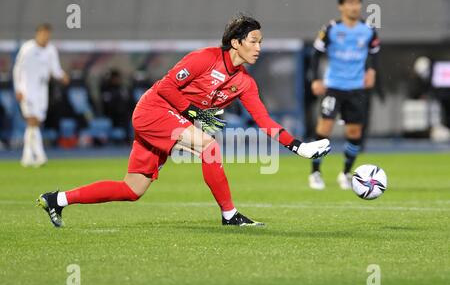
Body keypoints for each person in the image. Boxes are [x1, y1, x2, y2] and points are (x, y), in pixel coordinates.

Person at [37, 14, 330, 228]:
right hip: (152, 110)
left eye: (260, 42)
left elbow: (264, 120)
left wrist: (299, 147)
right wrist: (191, 111)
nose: (258, 48)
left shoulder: (245, 83)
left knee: (132, 189)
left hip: (170, 120)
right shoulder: (204, 58)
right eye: (253, 41)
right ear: (235, 42)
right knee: (209, 146)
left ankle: (58, 199)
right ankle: (229, 215)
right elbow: (164, 86)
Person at [309, 0, 380, 190]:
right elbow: (316, 53)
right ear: (341, 7)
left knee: (354, 132)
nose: (354, 7)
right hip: (334, 86)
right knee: (325, 128)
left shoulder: (368, 29)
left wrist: (371, 71)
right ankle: (315, 173)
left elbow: (374, 52)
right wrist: (315, 79)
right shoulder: (331, 29)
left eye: (357, 3)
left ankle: (346, 173)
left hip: (356, 88)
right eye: (349, 3)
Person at [13, 23, 69, 167]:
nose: (46, 37)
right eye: (43, 34)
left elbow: (55, 69)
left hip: (42, 91)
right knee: (33, 120)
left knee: (35, 123)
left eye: (48, 34)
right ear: (38, 34)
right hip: (27, 89)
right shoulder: (27, 48)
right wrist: (18, 88)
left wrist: (62, 76)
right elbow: (17, 69)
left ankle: (26, 157)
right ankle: (40, 155)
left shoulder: (51, 50)